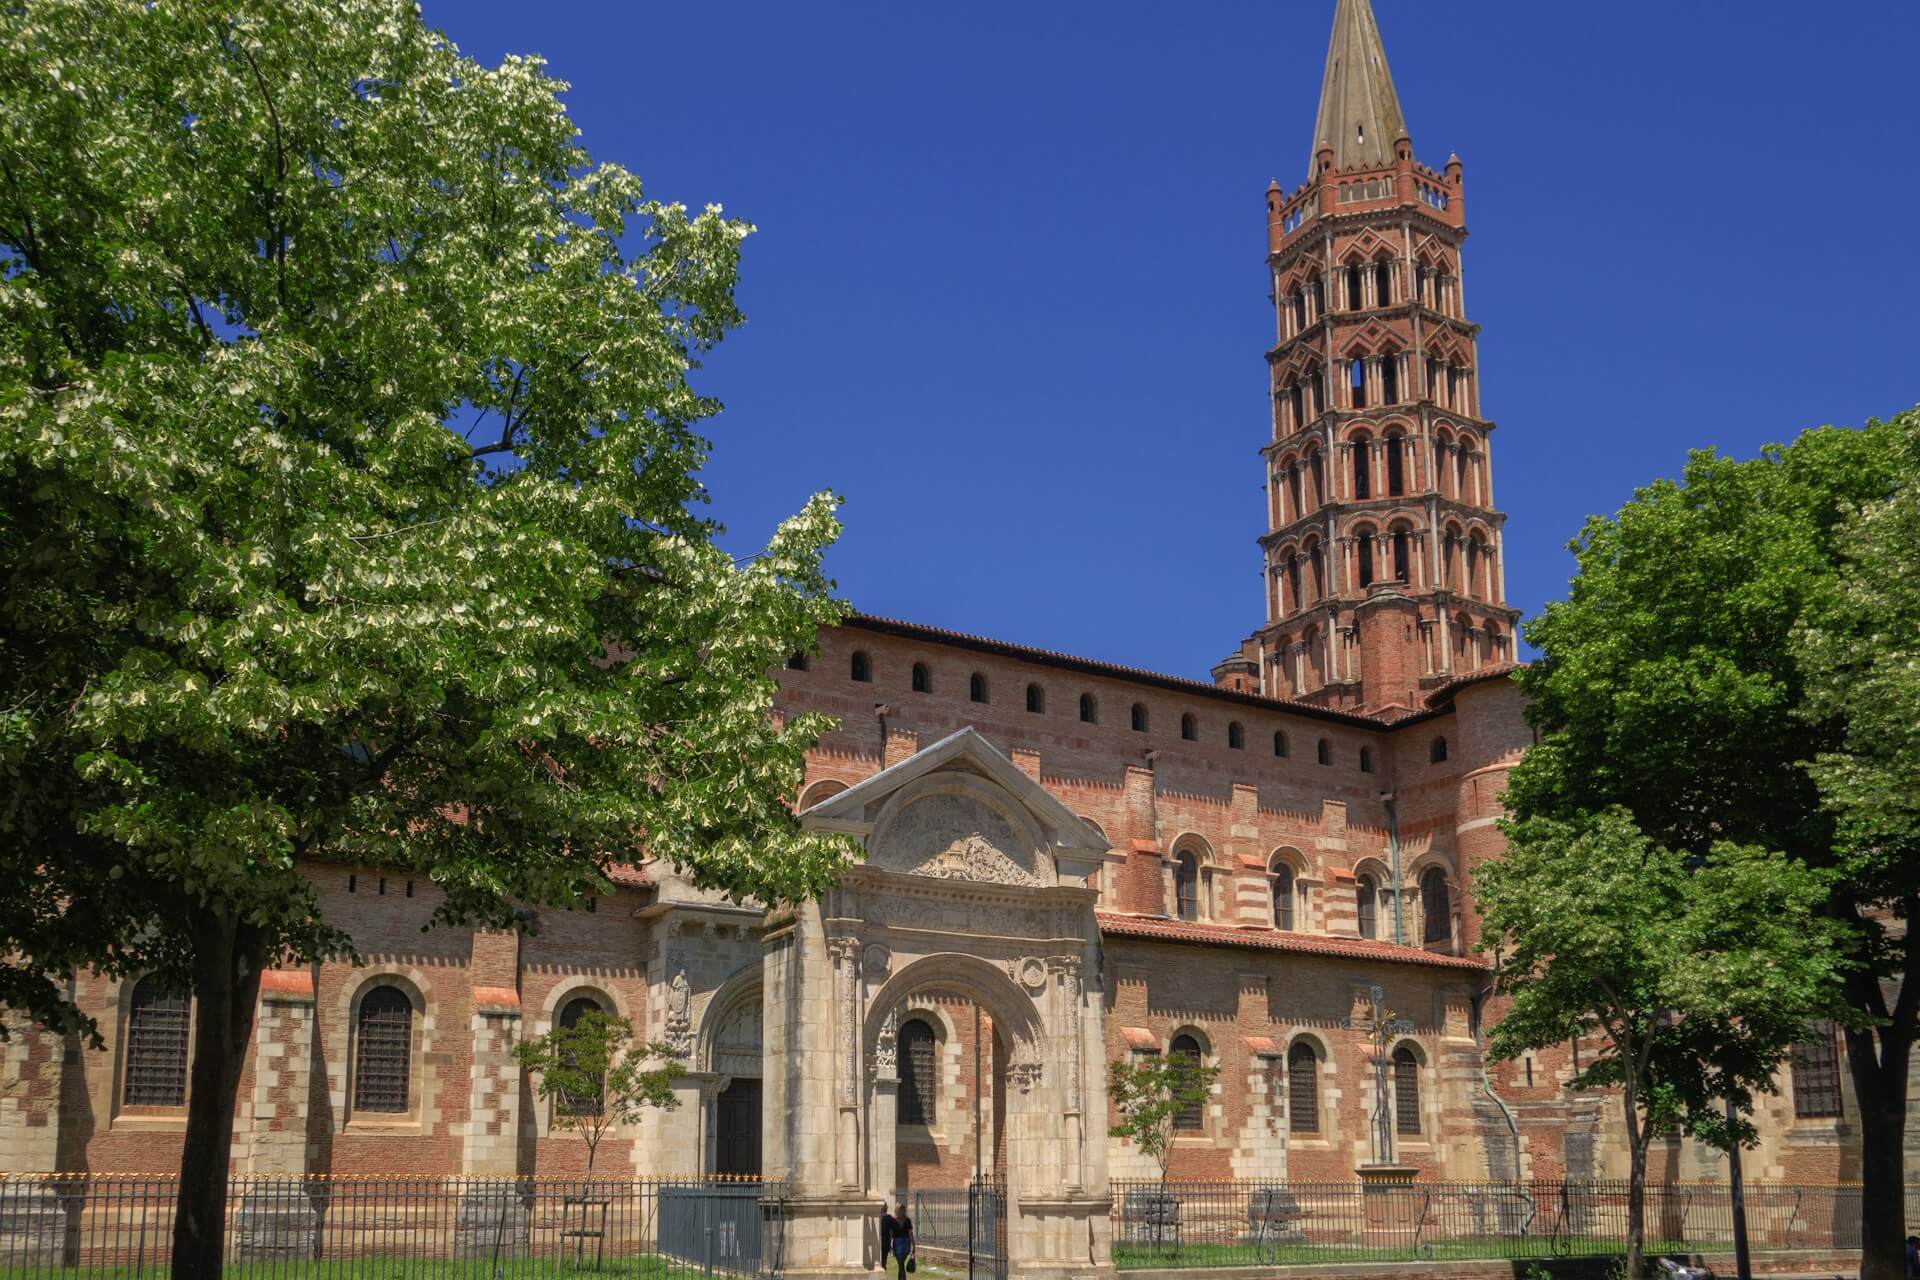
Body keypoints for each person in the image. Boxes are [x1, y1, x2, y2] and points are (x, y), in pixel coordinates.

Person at [879, 1201, 915, 1278]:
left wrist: (913, 1245)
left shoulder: (902, 1220)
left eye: (897, 1210)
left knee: (901, 1264)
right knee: (901, 1264)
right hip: (901, 1243)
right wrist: (889, 1244)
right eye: (896, 1210)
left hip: (902, 1243)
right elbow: (892, 1234)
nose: (896, 1212)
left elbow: (909, 1234)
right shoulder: (897, 1220)